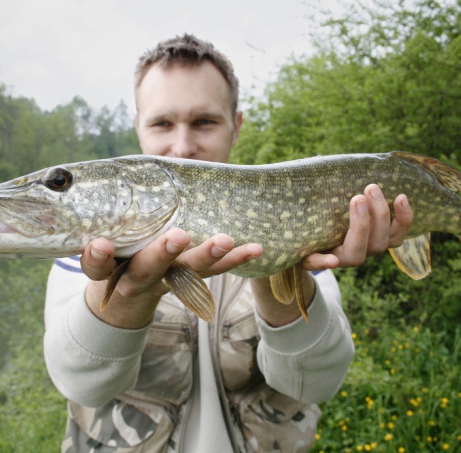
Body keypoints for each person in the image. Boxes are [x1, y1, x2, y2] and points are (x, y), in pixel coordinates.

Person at [44, 34, 413, 453]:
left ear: (235, 126)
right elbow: (79, 384)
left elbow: (315, 382)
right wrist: (126, 295)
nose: (182, 146)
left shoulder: (301, 227)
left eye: (204, 122)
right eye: (162, 123)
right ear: (138, 127)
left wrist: (276, 266)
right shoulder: (92, 251)